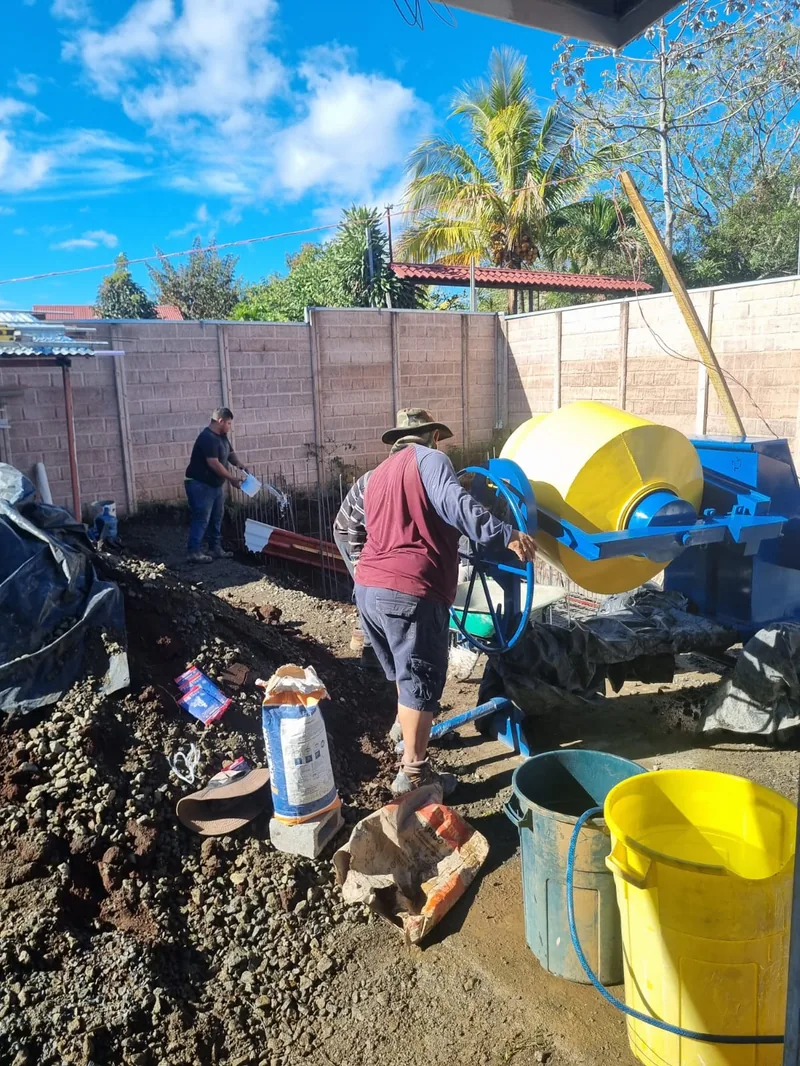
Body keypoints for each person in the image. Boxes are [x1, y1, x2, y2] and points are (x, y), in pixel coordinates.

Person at [354, 409, 537, 796]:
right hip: (409, 592)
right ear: (434, 435)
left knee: (404, 674)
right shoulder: (431, 460)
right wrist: (505, 534)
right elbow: (457, 505)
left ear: (397, 440)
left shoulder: (376, 475)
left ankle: (405, 733)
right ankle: (414, 776)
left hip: (368, 589)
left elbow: (371, 526)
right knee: (420, 681)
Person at [184, 407, 248, 564]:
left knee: (217, 517)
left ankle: (215, 548)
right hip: (200, 484)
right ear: (220, 421)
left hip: (215, 485)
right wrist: (231, 479)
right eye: (228, 423)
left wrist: (238, 464)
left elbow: (229, 453)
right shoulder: (207, 438)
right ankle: (193, 552)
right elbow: (213, 463)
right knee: (202, 518)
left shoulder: (222, 437)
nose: (230, 427)